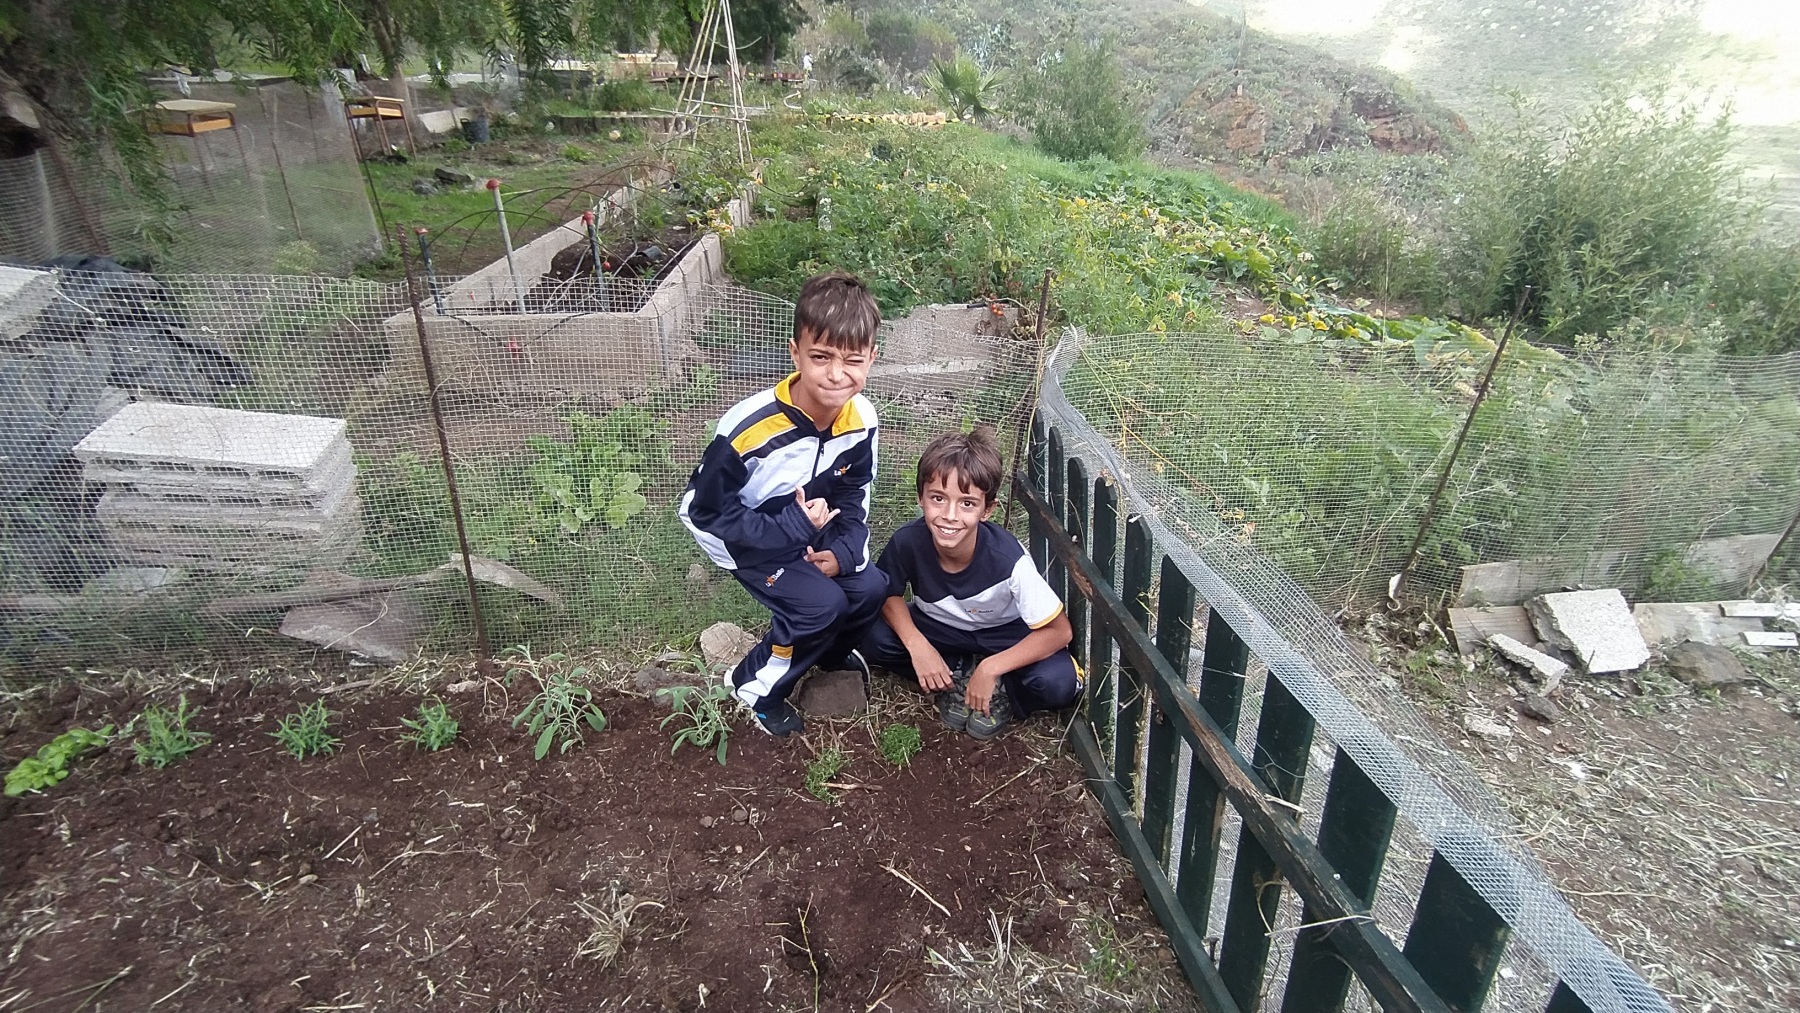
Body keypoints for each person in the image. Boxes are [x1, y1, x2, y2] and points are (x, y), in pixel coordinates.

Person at [679, 272, 886, 737]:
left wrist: (845, 550)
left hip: (804, 524)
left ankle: (826, 652)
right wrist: (790, 529)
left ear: (872, 357)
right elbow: (703, 512)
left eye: (853, 360)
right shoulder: (748, 430)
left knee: (870, 587)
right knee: (818, 607)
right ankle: (753, 687)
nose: (837, 374)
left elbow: (854, 488)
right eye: (821, 357)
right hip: (741, 538)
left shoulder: (862, 418)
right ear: (795, 353)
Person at [859, 427, 1080, 739]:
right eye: (938, 498)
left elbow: (1060, 632)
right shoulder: (907, 541)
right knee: (871, 636)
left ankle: (999, 688)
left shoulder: (1009, 561)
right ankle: (954, 671)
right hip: (941, 628)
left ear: (987, 509)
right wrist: (918, 645)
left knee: (1057, 683)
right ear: (921, 497)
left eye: (967, 503)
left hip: (1004, 634)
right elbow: (888, 592)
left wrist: (992, 668)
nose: (950, 515)